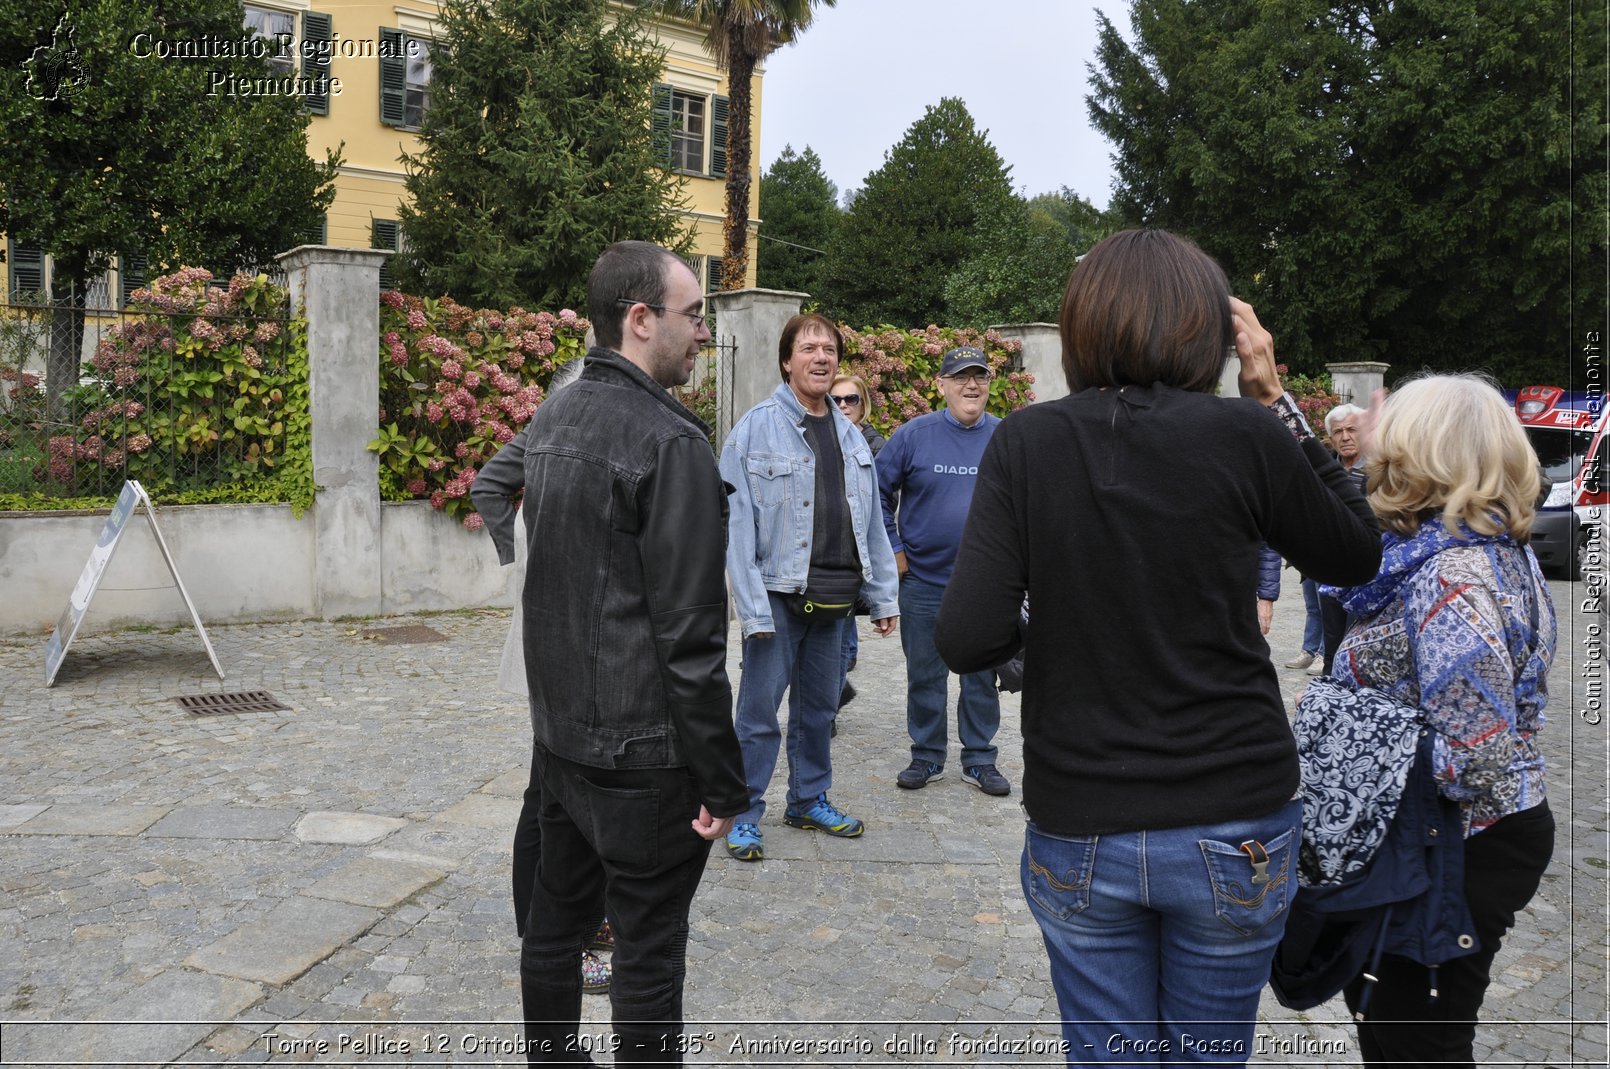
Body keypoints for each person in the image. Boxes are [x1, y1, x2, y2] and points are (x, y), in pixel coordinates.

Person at [933, 229, 1382, 1062]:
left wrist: (1046, 640)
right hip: (1234, 809)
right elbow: (1356, 552)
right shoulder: (1244, 435)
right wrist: (1273, 394)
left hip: (1083, 812)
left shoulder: (1027, 441)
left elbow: (967, 636)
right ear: (1210, 330)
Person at [512, 240, 747, 1066]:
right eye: (692, 316)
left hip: (566, 741)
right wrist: (722, 779)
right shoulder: (670, 441)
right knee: (647, 957)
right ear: (639, 320)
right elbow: (691, 635)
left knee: (555, 922)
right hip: (642, 759)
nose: (701, 334)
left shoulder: (556, 412)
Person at [1325, 374, 1555, 1067]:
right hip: (1466, 837)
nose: (1375, 462)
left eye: (1391, 446)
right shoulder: (1481, 549)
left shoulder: (1450, 575)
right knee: (1413, 1033)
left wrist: (1347, 749)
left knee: (1415, 1046)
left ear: (1424, 458)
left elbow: (1477, 757)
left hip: (1455, 844)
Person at [719, 314, 899, 863]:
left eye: (829, 349)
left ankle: (807, 800)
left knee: (819, 711)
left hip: (836, 600)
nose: (821, 357)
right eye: (809, 348)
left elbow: (871, 523)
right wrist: (752, 610)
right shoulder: (754, 428)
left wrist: (883, 595)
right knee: (757, 715)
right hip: (777, 597)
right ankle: (744, 812)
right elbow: (736, 525)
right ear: (786, 360)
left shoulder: (852, 435)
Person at [469, 356, 613, 997]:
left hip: (605, 641)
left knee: (566, 789)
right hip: (556, 636)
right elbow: (487, 487)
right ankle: (549, 928)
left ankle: (566, 926)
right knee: (548, 790)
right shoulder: (549, 430)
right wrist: (523, 557)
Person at [878, 346, 1009, 796]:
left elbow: (1032, 502)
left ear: (990, 383)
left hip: (985, 586)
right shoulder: (914, 435)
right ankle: (927, 756)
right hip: (923, 584)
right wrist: (894, 548)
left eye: (980, 376)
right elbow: (874, 491)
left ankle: (979, 759)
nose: (971, 385)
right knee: (925, 675)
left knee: (980, 677)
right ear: (941, 385)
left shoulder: (1006, 437)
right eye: (960, 377)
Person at [829, 372, 884, 732]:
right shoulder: (814, 436)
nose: (844, 406)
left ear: (863, 405)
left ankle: (833, 692)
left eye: (851, 399)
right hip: (826, 554)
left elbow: (885, 505)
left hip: (859, 554)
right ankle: (830, 701)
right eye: (837, 400)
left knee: (842, 640)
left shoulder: (877, 446)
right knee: (832, 635)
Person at [1317, 402, 1367, 671]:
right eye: (1337, 432)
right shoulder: (1324, 473)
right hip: (1330, 570)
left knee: (1357, 642)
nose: (1345, 437)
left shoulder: (1380, 470)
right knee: (1332, 643)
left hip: (1368, 571)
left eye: (1351, 429)